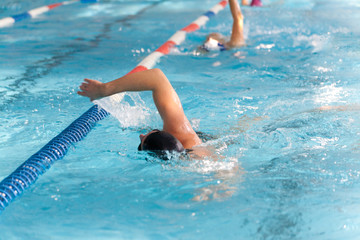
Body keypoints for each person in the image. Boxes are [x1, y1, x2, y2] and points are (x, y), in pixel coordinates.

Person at [78, 68, 203, 157]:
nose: (141, 135)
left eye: (140, 145)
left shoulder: (183, 140)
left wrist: (104, 90)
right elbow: (156, 78)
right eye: (152, 135)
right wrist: (104, 89)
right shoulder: (182, 133)